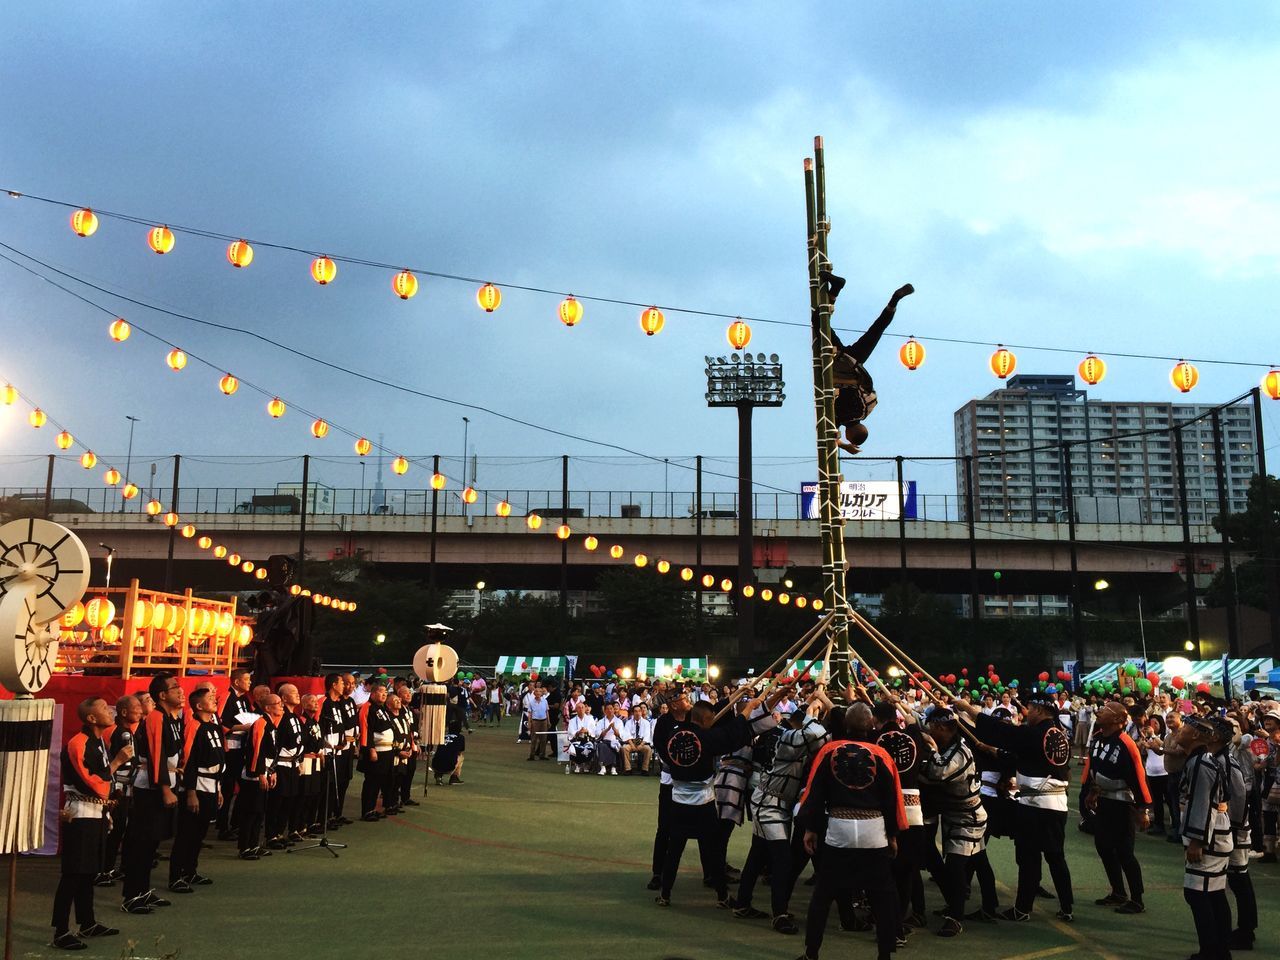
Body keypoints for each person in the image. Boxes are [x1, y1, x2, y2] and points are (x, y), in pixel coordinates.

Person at [795, 703, 906, 960]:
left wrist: (810, 828)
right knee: (883, 895)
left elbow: (815, 792)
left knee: (823, 894)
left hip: (839, 828)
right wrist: (892, 834)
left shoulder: (829, 751)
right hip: (874, 830)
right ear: (870, 725)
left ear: (845, 724)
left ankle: (812, 953)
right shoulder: (882, 755)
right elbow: (892, 800)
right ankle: (884, 955)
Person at [953, 692, 1074, 922]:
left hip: (1035, 805)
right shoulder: (1058, 733)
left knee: (1029, 856)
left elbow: (1005, 732)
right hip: (1057, 804)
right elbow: (1027, 757)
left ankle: (1022, 909)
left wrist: (968, 709)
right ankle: (1067, 906)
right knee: (1056, 856)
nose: (1027, 713)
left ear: (1039, 709)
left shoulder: (1035, 733)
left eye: (1030, 708)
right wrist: (994, 751)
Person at [736, 689, 830, 934]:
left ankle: (743, 902)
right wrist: (811, 713)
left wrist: (811, 704)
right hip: (771, 805)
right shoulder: (789, 738)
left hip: (769, 800)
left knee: (757, 854)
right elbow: (817, 734)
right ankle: (779, 914)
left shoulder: (782, 733)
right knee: (782, 861)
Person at [653, 694, 754, 907]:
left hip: (678, 800)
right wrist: (749, 709)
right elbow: (732, 732)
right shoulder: (707, 739)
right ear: (706, 720)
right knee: (713, 852)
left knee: (674, 850)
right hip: (703, 803)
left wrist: (735, 699)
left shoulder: (673, 734)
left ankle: (665, 894)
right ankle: (722, 896)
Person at [50, 697, 130, 950]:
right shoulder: (78, 744)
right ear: (91, 718)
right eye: (105, 709)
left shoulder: (98, 742)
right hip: (80, 813)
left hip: (96, 813)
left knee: (88, 873)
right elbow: (91, 782)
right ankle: (61, 931)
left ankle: (87, 922)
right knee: (73, 874)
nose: (111, 712)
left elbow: (103, 783)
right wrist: (117, 762)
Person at [918, 705, 992, 938]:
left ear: (941, 727)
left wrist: (930, 749)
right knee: (979, 860)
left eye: (932, 727)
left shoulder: (959, 751)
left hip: (967, 816)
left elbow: (938, 773)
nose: (929, 730)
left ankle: (955, 918)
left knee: (956, 865)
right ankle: (989, 906)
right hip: (956, 814)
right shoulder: (951, 744)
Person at [826, 278, 915, 453]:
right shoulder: (837, 418)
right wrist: (844, 446)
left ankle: (893, 302)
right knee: (820, 323)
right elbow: (829, 437)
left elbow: (870, 388)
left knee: (877, 329)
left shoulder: (867, 409)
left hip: (856, 362)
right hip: (837, 364)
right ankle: (835, 290)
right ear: (848, 434)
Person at [121, 673, 185, 915]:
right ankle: (131, 895)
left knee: (152, 844)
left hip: (163, 782)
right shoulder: (156, 718)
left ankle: (143, 889)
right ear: (162, 695)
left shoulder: (172, 719)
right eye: (174, 688)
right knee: (142, 842)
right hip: (151, 787)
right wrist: (165, 789)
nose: (180, 691)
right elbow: (157, 754)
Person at [1081, 702, 1151, 914]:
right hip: (1104, 800)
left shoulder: (1125, 743)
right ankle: (1118, 891)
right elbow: (1094, 768)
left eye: (1106, 710)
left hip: (1122, 803)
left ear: (1117, 720)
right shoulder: (1097, 739)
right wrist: (1093, 791)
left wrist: (1143, 809)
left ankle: (1137, 899)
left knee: (1125, 851)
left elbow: (1138, 777)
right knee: (1103, 846)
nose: (1100, 712)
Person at [1176, 714, 1237, 960]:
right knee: (1213, 893)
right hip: (1216, 833)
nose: (1180, 731)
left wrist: (1196, 840)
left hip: (1208, 837)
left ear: (1197, 734)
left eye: (1185, 727)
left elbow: (1202, 802)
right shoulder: (1204, 760)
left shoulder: (1201, 763)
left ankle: (1211, 952)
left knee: (1198, 893)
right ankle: (1219, 950)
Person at [168, 687, 224, 893]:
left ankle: (190, 870)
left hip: (212, 784)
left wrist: (218, 788)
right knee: (187, 833)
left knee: (200, 833)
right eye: (210, 698)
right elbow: (189, 759)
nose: (214, 700)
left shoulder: (214, 726)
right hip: (197, 785)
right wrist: (190, 791)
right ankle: (175, 876)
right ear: (199, 706)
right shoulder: (194, 725)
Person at [96, 695, 142, 886]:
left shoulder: (125, 731)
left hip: (124, 787)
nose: (139, 711)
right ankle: (101, 870)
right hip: (118, 788)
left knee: (118, 831)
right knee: (112, 832)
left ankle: (108, 868)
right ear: (124, 712)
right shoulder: (122, 733)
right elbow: (121, 764)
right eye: (136, 708)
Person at [237, 694, 280, 860]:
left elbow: (273, 751)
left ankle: (254, 844)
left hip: (265, 771)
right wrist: (260, 773)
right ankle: (245, 847)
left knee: (259, 811)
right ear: (267, 708)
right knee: (250, 811)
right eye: (277, 703)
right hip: (253, 775)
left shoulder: (271, 724)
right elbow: (256, 750)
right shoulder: (261, 723)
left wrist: (272, 771)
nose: (281, 705)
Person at [215, 668, 253, 840]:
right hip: (229, 747)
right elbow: (220, 722)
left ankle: (236, 823)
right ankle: (222, 826)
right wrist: (242, 728)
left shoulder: (245, 699)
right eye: (247, 679)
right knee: (228, 788)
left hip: (242, 747)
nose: (250, 682)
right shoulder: (226, 696)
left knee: (243, 788)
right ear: (237, 682)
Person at [358, 680, 397, 820]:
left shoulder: (382, 709)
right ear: (373, 693)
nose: (384, 695)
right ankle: (367, 811)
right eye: (381, 692)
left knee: (382, 781)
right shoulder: (367, 707)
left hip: (387, 751)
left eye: (386, 693)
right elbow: (365, 730)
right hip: (376, 750)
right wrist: (370, 749)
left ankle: (374, 808)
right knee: (372, 782)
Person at [621, 704, 653, 775]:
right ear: (633, 713)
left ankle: (645, 769)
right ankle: (628, 769)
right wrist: (632, 745)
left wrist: (641, 745)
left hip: (642, 743)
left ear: (641, 712)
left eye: (639, 711)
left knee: (648, 749)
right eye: (635, 711)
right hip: (631, 743)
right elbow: (627, 735)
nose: (637, 713)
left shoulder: (646, 723)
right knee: (624, 748)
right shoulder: (628, 722)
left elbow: (647, 735)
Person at [431, 720, 466, 784]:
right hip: (449, 766)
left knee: (441, 754)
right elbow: (460, 751)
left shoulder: (443, 736)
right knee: (461, 757)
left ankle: (439, 775)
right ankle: (454, 778)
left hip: (435, 765)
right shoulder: (461, 737)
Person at [526, 685, 551, 760]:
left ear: (541, 693)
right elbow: (530, 713)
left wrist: (548, 721)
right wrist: (529, 723)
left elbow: (547, 712)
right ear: (534, 693)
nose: (538, 693)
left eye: (540, 691)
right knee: (534, 739)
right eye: (536, 691)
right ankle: (532, 755)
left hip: (543, 721)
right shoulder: (531, 702)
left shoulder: (545, 701)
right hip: (535, 721)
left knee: (543, 739)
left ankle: (542, 755)